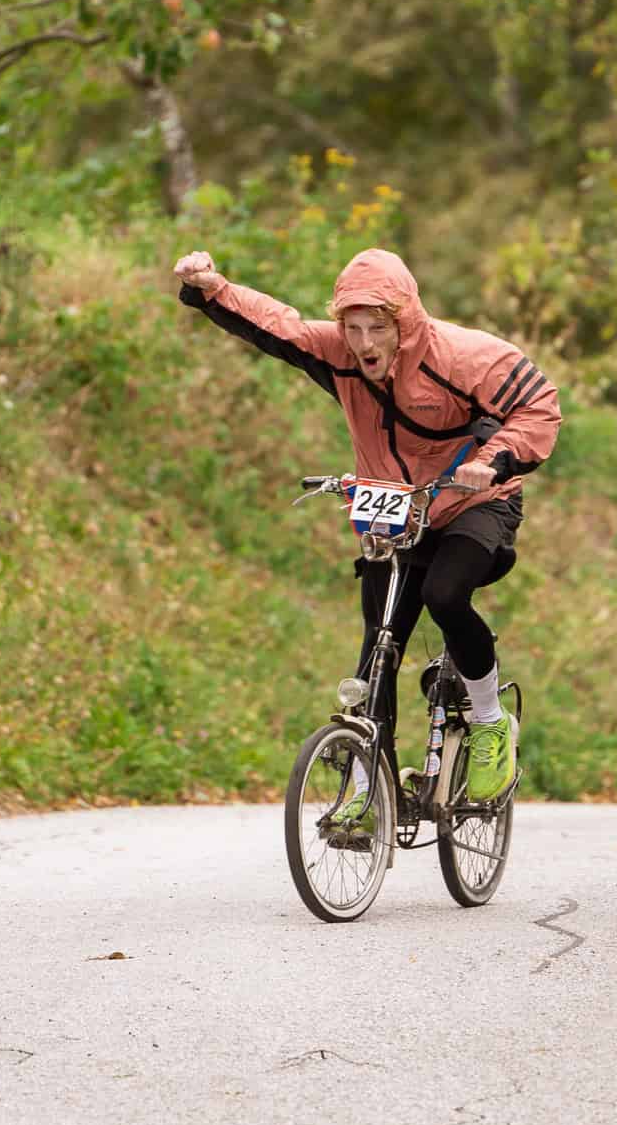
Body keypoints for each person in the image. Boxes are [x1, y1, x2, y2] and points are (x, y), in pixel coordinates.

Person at [172, 247, 560, 811]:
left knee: (444, 593)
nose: (364, 344)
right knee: (381, 642)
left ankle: (489, 721)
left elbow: (538, 406)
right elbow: (278, 325)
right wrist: (213, 288)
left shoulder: (462, 356)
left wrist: (493, 460)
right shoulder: (340, 354)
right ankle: (366, 789)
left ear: (404, 323)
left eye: (377, 329)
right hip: (398, 510)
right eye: (352, 329)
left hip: (473, 505)